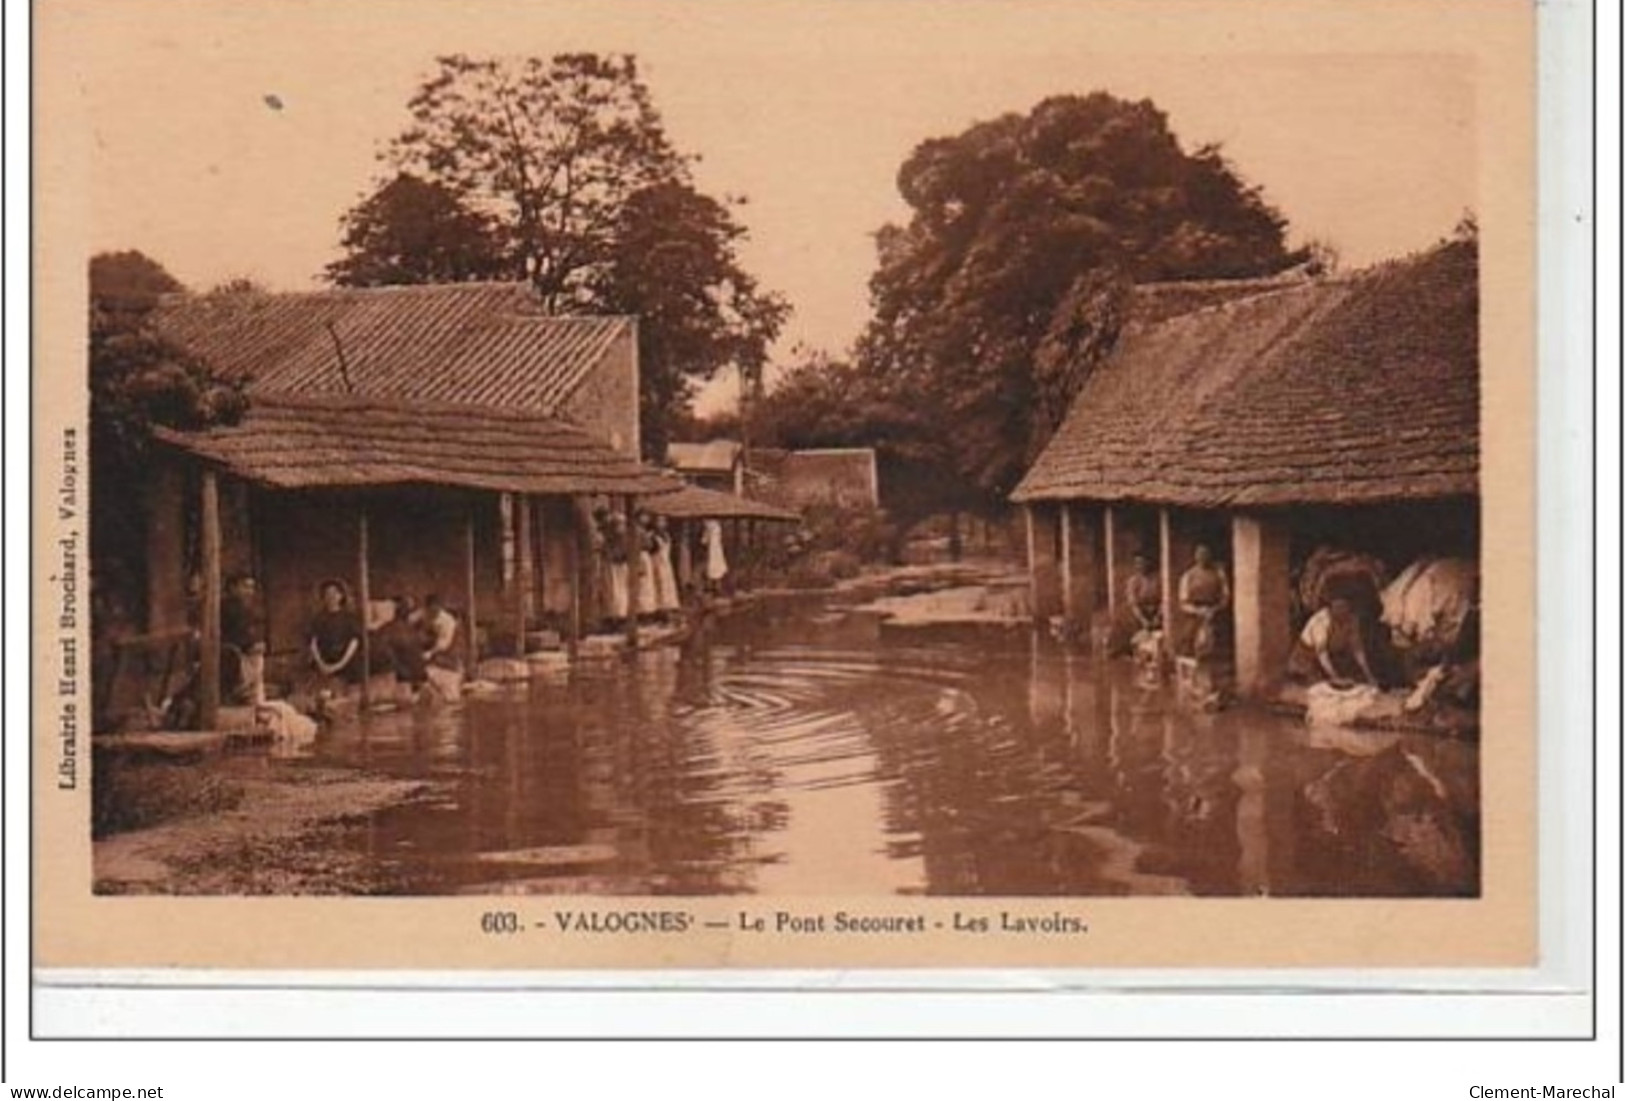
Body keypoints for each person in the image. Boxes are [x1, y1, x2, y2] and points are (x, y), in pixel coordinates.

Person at [1288, 595, 1378, 688]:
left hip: (1331, 660)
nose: (1342, 610)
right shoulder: (1321, 621)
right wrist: (1335, 678)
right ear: (1331, 607)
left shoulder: (1352, 619)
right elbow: (1322, 655)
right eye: (1338, 606)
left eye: (1344, 606)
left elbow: (1357, 649)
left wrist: (1369, 675)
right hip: (1305, 662)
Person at [221, 573, 268, 705]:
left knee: (255, 693)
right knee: (245, 694)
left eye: (251, 588)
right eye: (245, 587)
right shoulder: (228, 608)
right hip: (237, 658)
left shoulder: (247, 608)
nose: (249, 591)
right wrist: (250, 646)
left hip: (250, 656)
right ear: (233, 588)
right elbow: (232, 635)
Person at [1177, 544, 1231, 659]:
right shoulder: (1188, 576)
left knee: (1219, 641)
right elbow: (1183, 600)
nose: (1203, 557)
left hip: (1215, 611)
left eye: (1206, 554)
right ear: (1195, 556)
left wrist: (1214, 609)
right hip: (1194, 613)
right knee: (1188, 639)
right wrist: (1198, 611)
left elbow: (1225, 596)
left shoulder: (1219, 573)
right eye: (1200, 554)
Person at [308, 579, 363, 685]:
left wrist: (339, 665)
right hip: (324, 663)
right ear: (323, 597)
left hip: (346, 663)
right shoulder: (318, 618)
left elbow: (354, 642)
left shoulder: (349, 618)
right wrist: (321, 664)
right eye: (327, 593)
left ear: (341, 596)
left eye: (335, 593)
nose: (331, 597)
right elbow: (313, 642)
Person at [376, 594, 427, 690]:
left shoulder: (387, 630)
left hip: (402, 679)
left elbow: (385, 654)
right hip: (416, 677)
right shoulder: (412, 630)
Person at [650, 514, 682, 619]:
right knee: (659, 584)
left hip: (666, 562)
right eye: (659, 521)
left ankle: (668, 607)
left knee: (667, 584)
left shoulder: (666, 535)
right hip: (657, 562)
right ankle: (659, 610)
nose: (661, 524)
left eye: (663, 522)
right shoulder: (653, 536)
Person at [701, 517, 729, 595]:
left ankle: (716, 587)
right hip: (712, 548)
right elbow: (705, 539)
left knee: (716, 566)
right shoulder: (710, 524)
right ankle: (713, 586)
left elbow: (705, 540)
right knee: (712, 566)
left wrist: (705, 540)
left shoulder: (713, 525)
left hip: (715, 548)